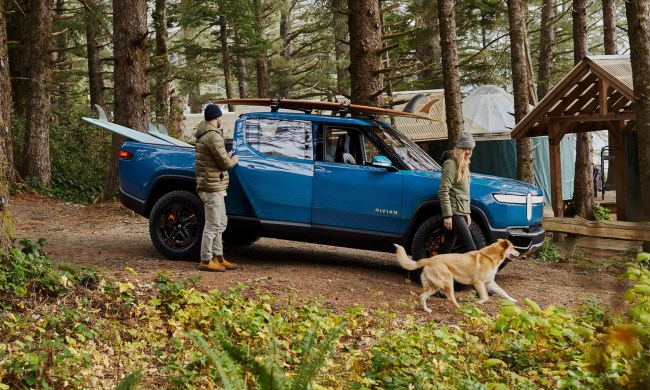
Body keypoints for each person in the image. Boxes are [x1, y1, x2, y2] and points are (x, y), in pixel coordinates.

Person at [195, 103, 240, 272]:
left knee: (221, 222)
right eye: (219, 116)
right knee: (213, 224)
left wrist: (225, 156)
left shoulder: (205, 134)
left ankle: (218, 257)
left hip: (213, 184)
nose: (220, 119)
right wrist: (234, 159)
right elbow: (225, 163)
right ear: (216, 118)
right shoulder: (212, 136)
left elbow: (215, 158)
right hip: (211, 186)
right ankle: (205, 260)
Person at [438, 131, 477, 254]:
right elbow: (443, 190)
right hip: (454, 213)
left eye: (471, 149)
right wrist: (447, 216)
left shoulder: (463, 164)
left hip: (460, 211)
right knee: (471, 248)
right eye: (467, 148)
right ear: (459, 148)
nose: (470, 152)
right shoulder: (450, 164)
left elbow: (464, 192)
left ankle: (437, 270)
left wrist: (467, 212)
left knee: (447, 246)